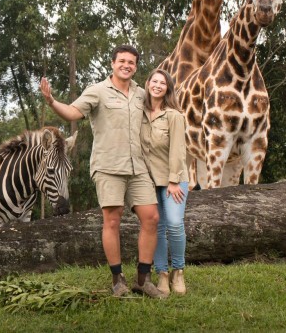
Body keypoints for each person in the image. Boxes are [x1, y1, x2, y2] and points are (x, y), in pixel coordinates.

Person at [40, 45, 165, 299]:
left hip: (138, 167)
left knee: (151, 217)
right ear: (112, 63)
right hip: (108, 166)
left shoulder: (141, 93)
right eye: (122, 61)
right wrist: (52, 101)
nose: (126, 65)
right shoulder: (97, 91)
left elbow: (162, 109)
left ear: (136, 66)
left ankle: (143, 279)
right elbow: (73, 112)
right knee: (112, 220)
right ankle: (117, 279)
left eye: (131, 62)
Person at [140, 68, 188, 296]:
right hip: (148, 182)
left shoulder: (174, 116)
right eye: (154, 81)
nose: (158, 85)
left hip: (174, 180)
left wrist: (174, 181)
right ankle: (162, 274)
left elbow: (179, 149)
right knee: (156, 228)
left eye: (163, 83)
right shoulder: (139, 114)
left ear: (168, 88)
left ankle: (178, 270)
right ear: (148, 83)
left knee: (175, 224)